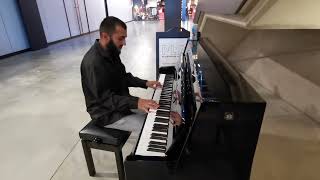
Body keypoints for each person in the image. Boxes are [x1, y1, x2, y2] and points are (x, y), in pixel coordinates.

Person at [80, 17, 181, 136]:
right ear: (105, 36)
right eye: (121, 38)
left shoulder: (111, 51)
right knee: (157, 127)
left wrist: (146, 83)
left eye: (125, 38)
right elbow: (104, 99)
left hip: (120, 104)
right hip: (107, 114)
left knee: (160, 112)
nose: (124, 43)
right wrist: (137, 102)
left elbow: (123, 77)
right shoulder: (93, 63)